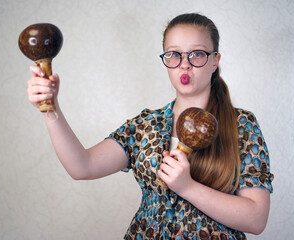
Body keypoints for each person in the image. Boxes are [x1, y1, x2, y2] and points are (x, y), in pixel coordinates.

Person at [27, 13, 274, 240]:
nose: (184, 65)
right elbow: (82, 167)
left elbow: (256, 219)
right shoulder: (145, 126)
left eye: (197, 53)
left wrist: (187, 187)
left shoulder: (240, 124)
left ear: (214, 61)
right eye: (174, 54)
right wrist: (50, 108)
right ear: (165, 59)